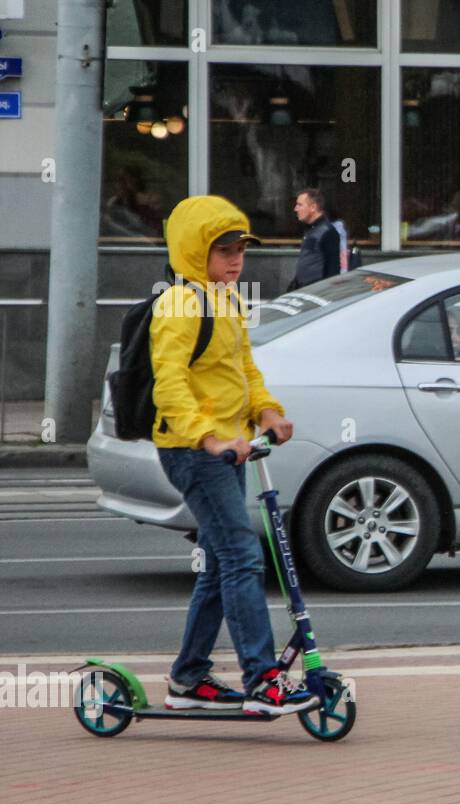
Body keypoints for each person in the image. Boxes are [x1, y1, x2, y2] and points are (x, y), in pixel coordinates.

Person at [151, 194, 316, 716]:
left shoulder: (225, 300)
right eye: (223, 249)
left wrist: (267, 411)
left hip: (228, 452)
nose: (235, 259)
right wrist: (209, 438)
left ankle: (188, 678)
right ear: (195, 250)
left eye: (240, 248)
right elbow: (169, 386)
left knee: (222, 564)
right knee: (244, 556)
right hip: (193, 452)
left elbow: (244, 370)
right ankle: (263, 676)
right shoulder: (178, 305)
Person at [288, 187, 340, 291]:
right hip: (304, 289)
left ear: (313, 207)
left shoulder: (328, 232)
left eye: (300, 205)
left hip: (316, 292)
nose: (295, 209)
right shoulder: (310, 229)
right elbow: (309, 261)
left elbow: (332, 271)